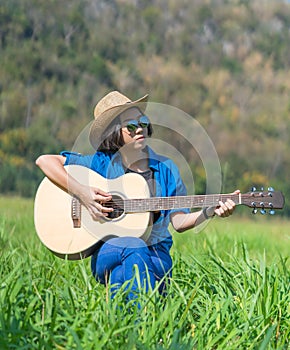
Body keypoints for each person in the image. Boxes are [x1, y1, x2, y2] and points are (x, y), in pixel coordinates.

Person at [36, 91, 238, 301]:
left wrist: (208, 211)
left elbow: (178, 222)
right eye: (131, 126)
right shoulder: (100, 164)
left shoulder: (166, 169)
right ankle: (149, 324)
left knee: (122, 276)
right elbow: (45, 161)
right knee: (135, 246)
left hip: (157, 255)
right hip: (108, 251)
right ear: (115, 132)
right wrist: (83, 193)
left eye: (142, 121)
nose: (139, 128)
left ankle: (120, 326)